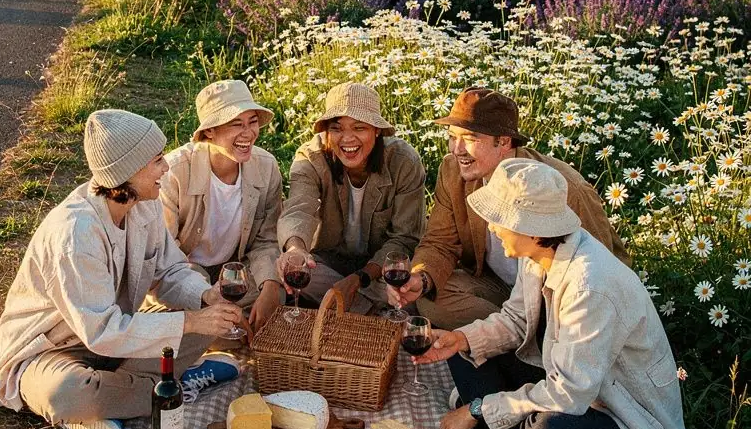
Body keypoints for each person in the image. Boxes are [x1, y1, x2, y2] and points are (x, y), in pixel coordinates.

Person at [415, 157, 688, 429]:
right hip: (569, 375)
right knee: (463, 348)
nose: (492, 228)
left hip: (620, 409)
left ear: (531, 228)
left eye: (499, 220)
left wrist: (479, 408)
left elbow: (569, 394)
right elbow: (515, 320)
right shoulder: (539, 252)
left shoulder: (590, 284)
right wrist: (460, 338)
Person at [0, 109, 245, 429]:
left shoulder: (143, 203)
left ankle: (121, 401)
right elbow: (102, 332)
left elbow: (169, 272)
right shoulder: (75, 233)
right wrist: (190, 320)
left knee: (204, 311)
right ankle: (156, 387)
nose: (166, 169)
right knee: (66, 393)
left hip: (116, 342)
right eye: (157, 161)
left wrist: (205, 296)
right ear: (128, 171)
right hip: (53, 349)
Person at [389, 87, 629, 331]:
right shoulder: (453, 172)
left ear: (503, 141)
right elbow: (440, 242)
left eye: (470, 139)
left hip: (556, 297)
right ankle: (517, 333)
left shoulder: (561, 187)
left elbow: (599, 267)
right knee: (431, 301)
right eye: (452, 136)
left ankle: (524, 336)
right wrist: (421, 278)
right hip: (499, 287)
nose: (456, 149)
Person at [276, 82, 426, 312]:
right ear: (326, 131)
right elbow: (299, 209)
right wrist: (296, 249)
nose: (347, 139)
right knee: (283, 268)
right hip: (327, 262)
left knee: (412, 288)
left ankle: (349, 305)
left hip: (379, 269)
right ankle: (369, 311)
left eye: (359, 128)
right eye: (337, 128)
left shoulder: (403, 162)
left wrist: (359, 279)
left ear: (376, 130)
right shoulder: (310, 158)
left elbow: (405, 238)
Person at [160, 79, 283, 338]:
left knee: (277, 296)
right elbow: (164, 257)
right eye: (236, 124)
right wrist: (204, 294)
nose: (248, 133)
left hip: (238, 271)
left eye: (252, 121)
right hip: (187, 271)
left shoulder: (266, 166)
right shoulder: (174, 172)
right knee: (191, 317)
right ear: (209, 132)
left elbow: (266, 240)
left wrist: (270, 285)